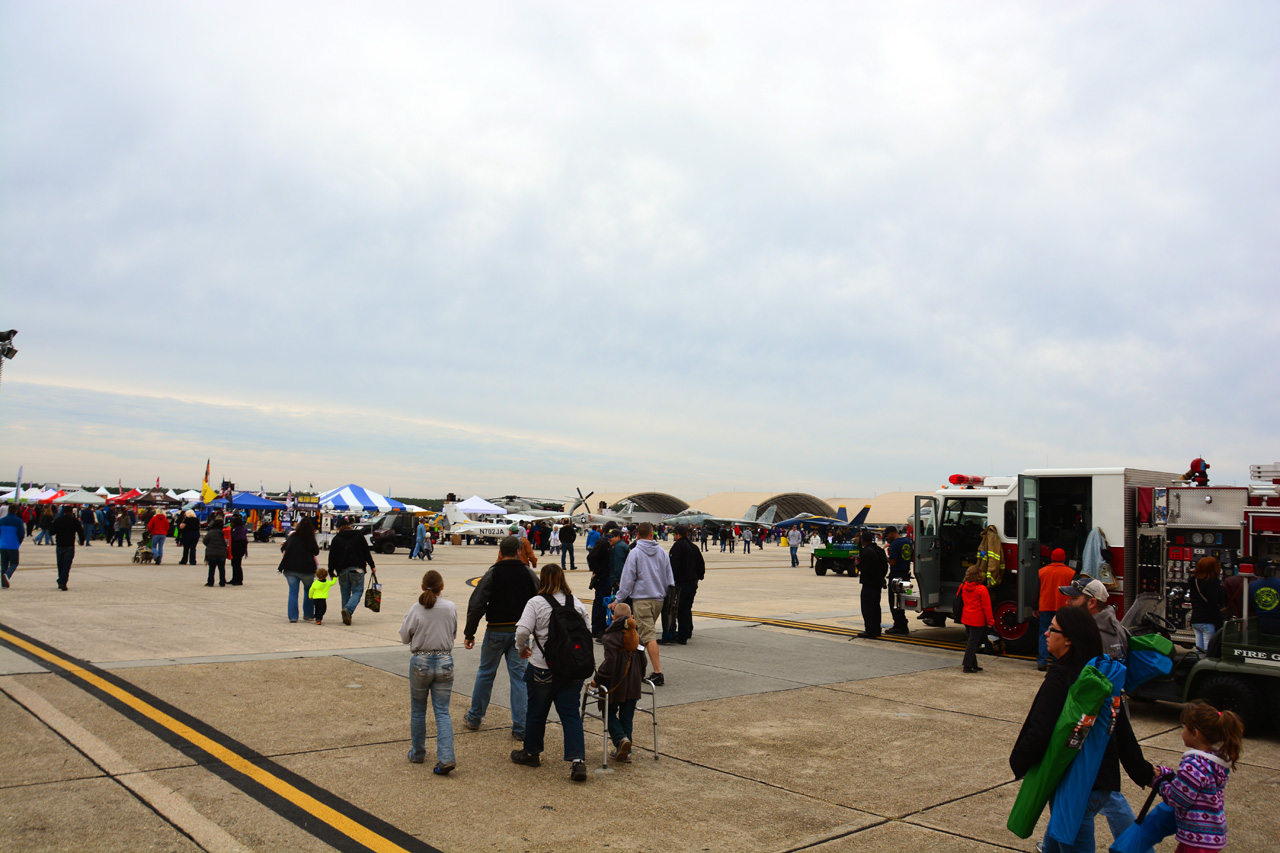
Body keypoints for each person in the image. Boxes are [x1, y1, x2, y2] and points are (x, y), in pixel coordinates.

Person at [1011, 607, 1154, 853]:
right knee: (1054, 845)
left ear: (1068, 639)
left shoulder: (1061, 676)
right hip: (1101, 783)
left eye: (1052, 629)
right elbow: (1120, 729)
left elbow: (1040, 729)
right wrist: (1143, 773)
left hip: (1075, 784)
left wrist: (1020, 761)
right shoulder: (1100, 674)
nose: (1045, 633)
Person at [511, 563, 590, 782]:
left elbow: (523, 630)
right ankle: (577, 761)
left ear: (543, 580)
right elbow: (588, 632)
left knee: (537, 711)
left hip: (542, 666)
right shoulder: (577, 603)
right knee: (570, 714)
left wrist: (521, 648)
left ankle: (532, 752)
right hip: (572, 669)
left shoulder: (536, 603)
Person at [462, 536, 539, 739]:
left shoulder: (492, 573)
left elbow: (477, 604)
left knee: (485, 673)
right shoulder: (528, 574)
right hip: (520, 635)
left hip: (495, 631)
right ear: (518, 551)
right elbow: (541, 601)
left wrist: (470, 632)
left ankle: (475, 718)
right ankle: (520, 727)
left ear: (501, 552)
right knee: (520, 679)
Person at [1154, 700, 1241, 852]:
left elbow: (1178, 798)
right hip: (1210, 835)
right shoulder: (1213, 762)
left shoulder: (1193, 765)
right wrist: (1167, 773)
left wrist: (1158, 783)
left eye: (1183, 729)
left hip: (1196, 839)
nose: (1182, 733)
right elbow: (1191, 786)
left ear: (1195, 733)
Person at [400, 569, 457, 774]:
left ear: (423, 587)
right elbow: (453, 632)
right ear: (443, 587)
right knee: (442, 711)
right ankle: (446, 756)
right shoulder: (450, 607)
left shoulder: (416, 608)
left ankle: (418, 753)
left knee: (418, 710)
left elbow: (405, 637)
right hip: (444, 660)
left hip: (421, 660)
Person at [615, 522, 674, 686]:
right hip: (658, 600)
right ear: (652, 534)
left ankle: (658, 672)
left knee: (648, 636)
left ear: (637, 535)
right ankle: (636, 666)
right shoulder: (662, 552)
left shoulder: (635, 553)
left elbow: (627, 580)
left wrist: (618, 600)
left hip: (642, 599)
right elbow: (670, 579)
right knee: (641, 634)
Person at [592, 600, 646, 763]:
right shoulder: (637, 636)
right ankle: (626, 752)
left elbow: (610, 663)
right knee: (627, 716)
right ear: (631, 617)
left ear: (613, 617)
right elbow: (643, 660)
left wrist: (598, 679)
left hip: (616, 683)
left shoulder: (610, 637)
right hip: (633, 683)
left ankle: (620, 739)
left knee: (607, 712)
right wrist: (640, 677)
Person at [1060, 578, 1129, 660]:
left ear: (1092, 603)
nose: (1067, 602)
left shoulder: (1087, 635)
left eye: (1074, 598)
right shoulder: (1121, 630)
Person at [327, 517, 376, 626]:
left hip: (342, 570)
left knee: (345, 593)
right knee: (357, 591)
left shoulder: (336, 539)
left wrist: (331, 572)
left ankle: (346, 614)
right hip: (357, 568)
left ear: (339, 528)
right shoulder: (359, 536)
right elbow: (366, 552)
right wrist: (372, 565)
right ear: (349, 526)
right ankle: (348, 610)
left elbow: (332, 557)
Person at [1036, 548, 1078, 670]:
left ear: (1051, 558)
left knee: (1044, 633)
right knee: (1060, 634)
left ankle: (1042, 661)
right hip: (1063, 607)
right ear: (1064, 559)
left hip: (1045, 605)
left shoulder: (1042, 571)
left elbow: (1036, 591)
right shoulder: (1070, 572)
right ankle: (1057, 660)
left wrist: (1035, 606)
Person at [668, 524, 705, 644]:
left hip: (682, 583)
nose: (674, 536)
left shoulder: (677, 547)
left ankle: (682, 636)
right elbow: (701, 565)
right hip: (693, 583)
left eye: (674, 534)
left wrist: (672, 580)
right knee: (687, 607)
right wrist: (699, 577)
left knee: (680, 609)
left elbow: (673, 566)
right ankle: (688, 631)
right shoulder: (694, 547)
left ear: (678, 534)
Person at [278, 518, 320, 623]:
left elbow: (283, 548)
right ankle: (308, 614)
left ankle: (293, 617)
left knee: (293, 592)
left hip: (290, 567)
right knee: (308, 591)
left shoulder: (293, 537)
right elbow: (316, 551)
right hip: (307, 569)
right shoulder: (310, 538)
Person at [959, 564, 994, 672]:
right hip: (977, 619)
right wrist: (990, 620)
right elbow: (987, 607)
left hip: (967, 617)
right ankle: (967, 665)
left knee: (971, 641)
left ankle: (973, 664)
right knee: (973, 643)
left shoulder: (964, 586)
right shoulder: (982, 589)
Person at [857, 529, 888, 639]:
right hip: (878, 583)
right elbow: (885, 566)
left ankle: (870, 630)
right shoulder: (880, 550)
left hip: (869, 583)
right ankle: (876, 629)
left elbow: (864, 568)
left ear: (863, 540)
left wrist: (858, 565)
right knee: (876, 607)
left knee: (867, 608)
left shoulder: (866, 552)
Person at [1188, 556, 1224, 652]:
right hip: (1208, 619)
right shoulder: (1212, 582)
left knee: (1199, 649)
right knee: (1209, 649)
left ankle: (1198, 664)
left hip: (1196, 618)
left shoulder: (1193, 581)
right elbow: (1214, 603)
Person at [586, 523, 614, 638]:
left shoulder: (606, 543)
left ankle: (601, 625)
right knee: (599, 602)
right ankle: (596, 628)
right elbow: (591, 557)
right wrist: (598, 571)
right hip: (602, 577)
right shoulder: (602, 543)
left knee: (603, 602)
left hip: (605, 576)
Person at [884, 526, 913, 635]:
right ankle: (902, 624)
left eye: (887, 535)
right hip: (906, 574)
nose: (888, 538)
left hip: (896, 576)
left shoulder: (895, 544)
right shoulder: (907, 541)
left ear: (891, 533)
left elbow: (893, 562)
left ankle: (899, 625)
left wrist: (886, 558)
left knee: (894, 601)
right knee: (902, 600)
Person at [51, 505, 84, 591]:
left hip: (60, 544)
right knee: (67, 564)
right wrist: (82, 541)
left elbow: (51, 532)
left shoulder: (58, 520)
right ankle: (63, 582)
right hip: (69, 545)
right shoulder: (75, 521)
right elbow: (80, 532)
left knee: (60, 564)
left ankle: (61, 580)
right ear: (71, 512)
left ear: (63, 511)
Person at [1, 502, 26, 588]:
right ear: (16, 511)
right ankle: (7, 575)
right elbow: (21, 534)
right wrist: (18, 542)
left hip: (2, 544)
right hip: (13, 545)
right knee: (14, 563)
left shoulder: (2, 520)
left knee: (4, 564)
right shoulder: (18, 521)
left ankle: (3, 584)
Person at [203, 515, 228, 587]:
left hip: (212, 553)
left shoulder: (211, 532)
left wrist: (210, 545)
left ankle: (210, 582)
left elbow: (205, 541)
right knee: (222, 568)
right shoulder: (225, 533)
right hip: (222, 553)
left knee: (212, 569)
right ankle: (222, 582)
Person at [228, 514, 248, 585]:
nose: (231, 524)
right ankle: (234, 578)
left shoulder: (239, 530)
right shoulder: (235, 529)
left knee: (237, 565)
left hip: (238, 550)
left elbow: (241, 541)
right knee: (234, 564)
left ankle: (239, 580)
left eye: (232, 522)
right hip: (235, 550)